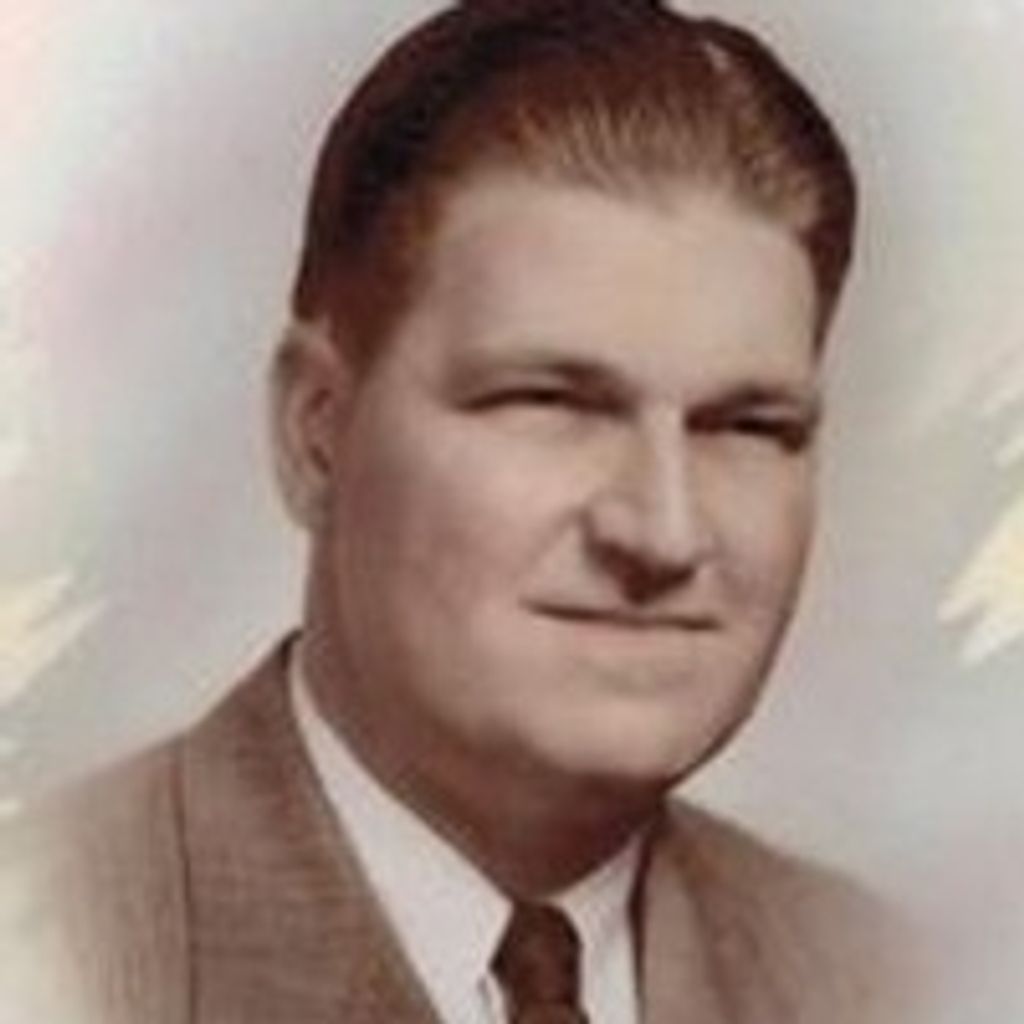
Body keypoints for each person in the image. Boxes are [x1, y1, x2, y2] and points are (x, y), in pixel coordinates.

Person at [2, 1, 920, 1022]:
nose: (664, 532)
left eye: (746, 426)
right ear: (316, 432)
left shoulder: (893, 981)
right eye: (551, 403)